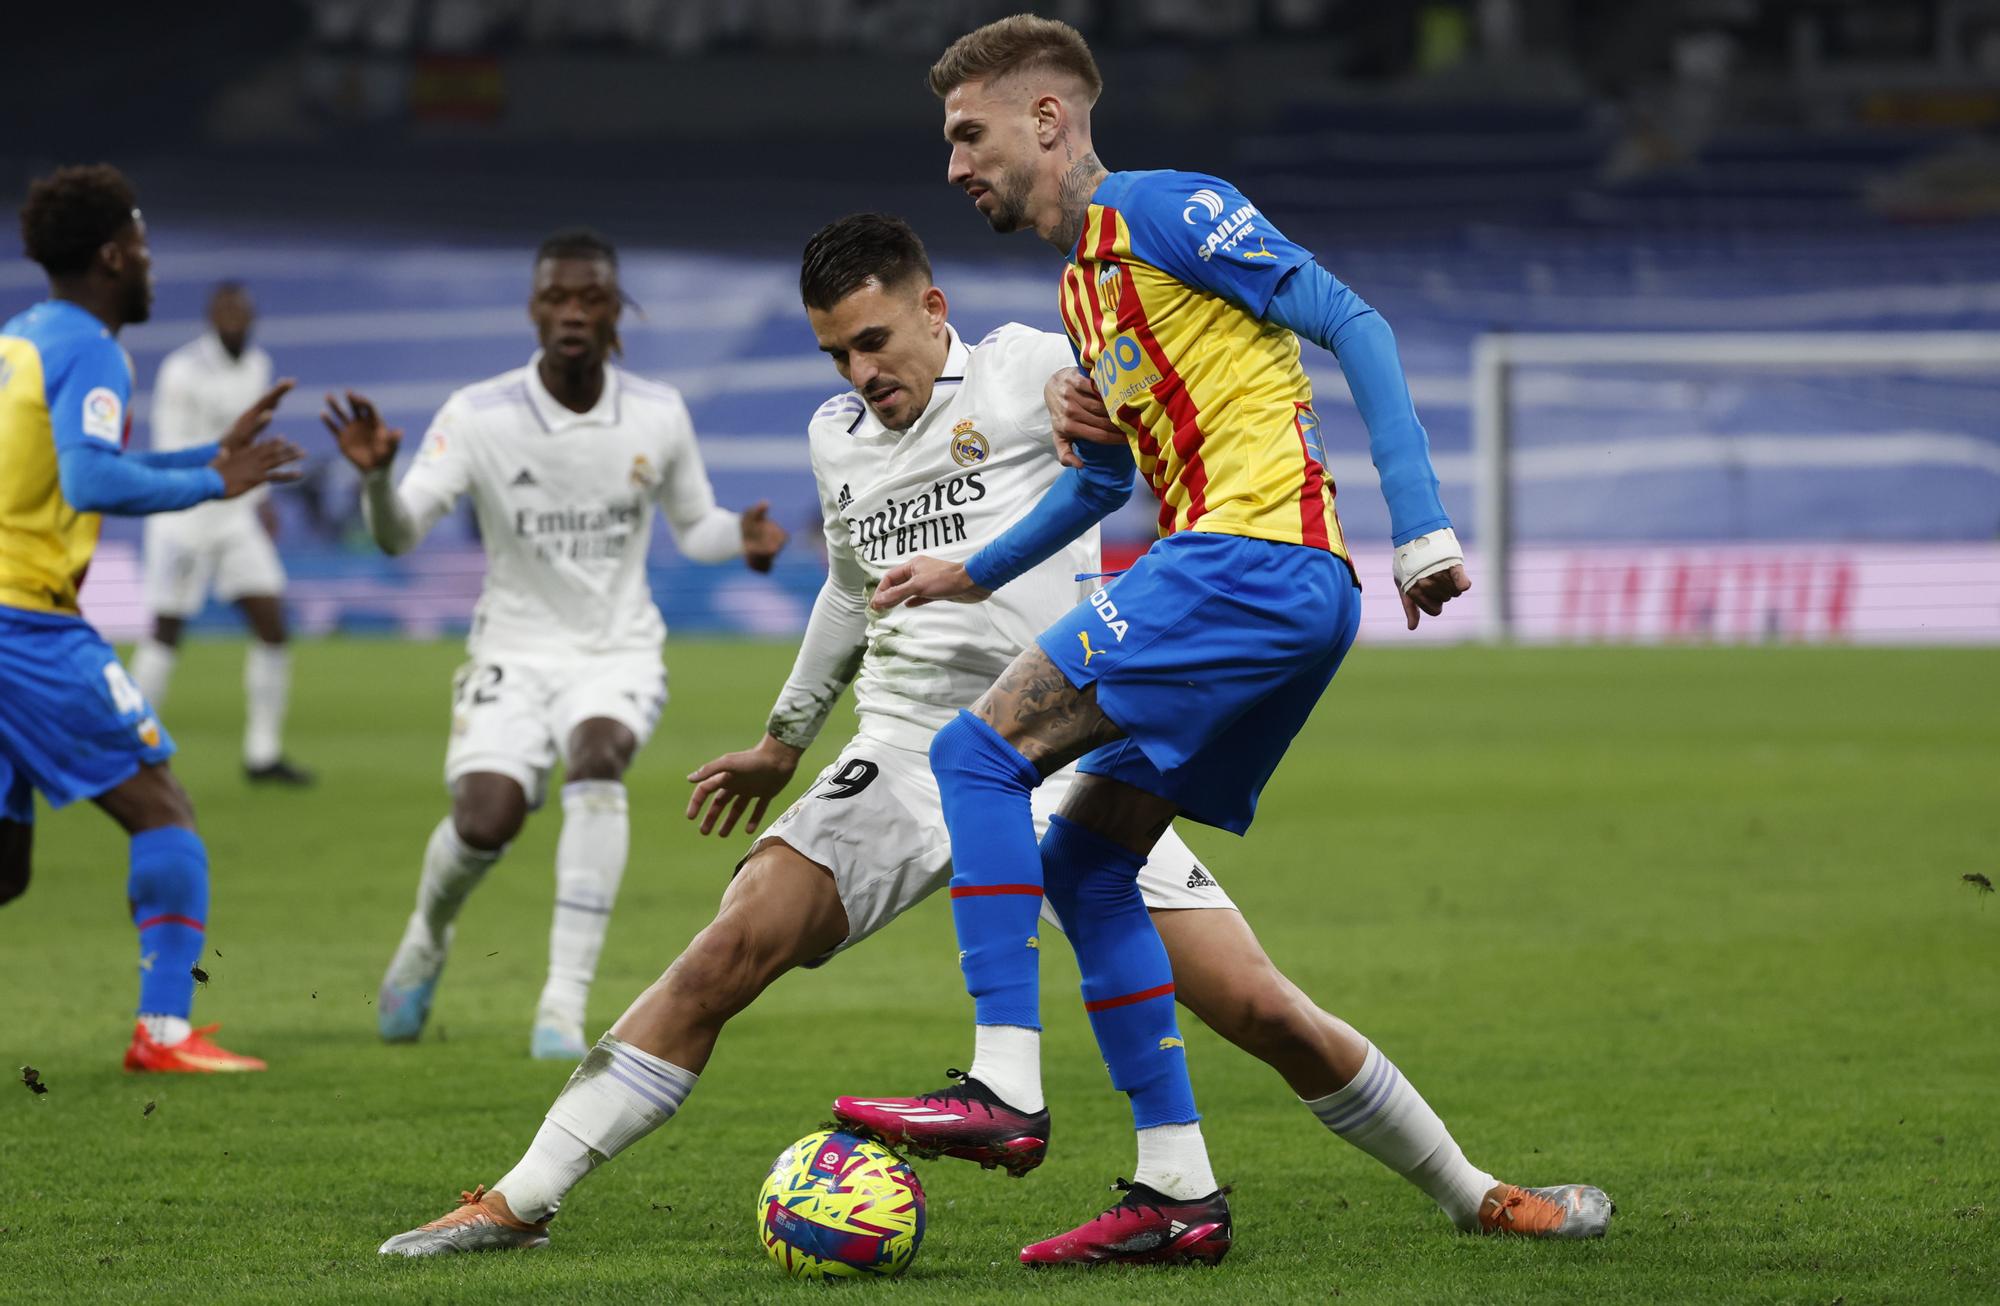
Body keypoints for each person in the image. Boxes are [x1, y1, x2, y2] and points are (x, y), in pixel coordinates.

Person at [376, 214, 1605, 1260]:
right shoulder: (831, 439)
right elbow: (849, 592)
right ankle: (518, 1199)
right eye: (835, 353)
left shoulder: (1030, 366)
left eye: (873, 340)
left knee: (1256, 1006)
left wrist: (1112, 410)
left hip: (1056, 737)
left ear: (932, 308)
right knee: (727, 947)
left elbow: (1136, 422)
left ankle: (1473, 1193)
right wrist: (780, 738)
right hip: (910, 741)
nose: (859, 371)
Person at [832, 16, 1609, 1265]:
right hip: (1246, 583)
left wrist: (1420, 524)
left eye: (966, 135)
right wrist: (964, 570)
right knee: (1086, 864)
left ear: (1045, 119)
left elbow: (1356, 321)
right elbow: (1099, 490)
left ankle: (1002, 1086)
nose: (952, 166)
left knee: (978, 761)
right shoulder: (1085, 286)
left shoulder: (1168, 209)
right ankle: (1175, 1189)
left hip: (1248, 562)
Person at [322, 228, 789, 1062]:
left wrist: (742, 538)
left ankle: (560, 1006)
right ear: (534, 309)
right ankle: (427, 936)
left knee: (599, 757)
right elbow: (397, 537)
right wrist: (371, 480)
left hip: (617, 651)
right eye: (556, 297)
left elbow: (696, 526)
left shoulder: (657, 411)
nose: (573, 312)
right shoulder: (478, 414)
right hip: (513, 648)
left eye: (590, 297)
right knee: (486, 819)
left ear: (617, 312)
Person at [0, 164, 301, 1072]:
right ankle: (164, 1029)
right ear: (111, 254)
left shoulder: (23, 336)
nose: (151, 264)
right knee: (163, 808)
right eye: (141, 246)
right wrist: (216, 480)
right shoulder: (92, 346)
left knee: (5, 869)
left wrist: (208, 452)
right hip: (28, 629)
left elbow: (66, 459)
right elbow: (90, 479)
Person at [130, 281, 313, 785]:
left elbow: (250, 445)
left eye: (241, 309)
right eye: (224, 309)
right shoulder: (181, 370)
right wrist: (214, 481)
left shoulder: (258, 365)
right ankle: (130, 746)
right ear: (210, 318)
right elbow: (171, 447)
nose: (234, 317)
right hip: (184, 516)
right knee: (166, 632)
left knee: (272, 623)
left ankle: (263, 754)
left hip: (235, 516)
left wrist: (262, 499)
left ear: (252, 316)